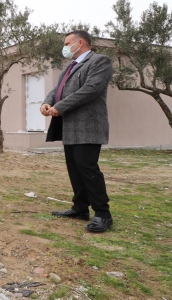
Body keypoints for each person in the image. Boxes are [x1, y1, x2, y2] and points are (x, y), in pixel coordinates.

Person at [41, 30, 114, 233]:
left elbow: (90, 89)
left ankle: (103, 214)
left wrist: (60, 106)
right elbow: (57, 89)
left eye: (67, 43)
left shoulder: (100, 61)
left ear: (80, 43)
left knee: (88, 168)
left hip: (88, 126)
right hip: (70, 127)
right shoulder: (69, 67)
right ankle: (80, 208)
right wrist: (47, 102)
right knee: (74, 168)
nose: (64, 47)